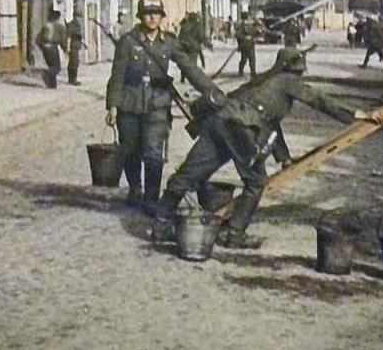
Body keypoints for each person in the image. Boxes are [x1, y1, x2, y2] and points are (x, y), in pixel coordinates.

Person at [151, 46, 356, 248]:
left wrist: (283, 157)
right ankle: (234, 233)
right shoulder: (288, 81)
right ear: (298, 68)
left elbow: (269, 123)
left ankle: (160, 224)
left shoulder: (264, 80)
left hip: (217, 122)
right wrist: (353, 114)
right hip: (239, 130)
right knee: (256, 182)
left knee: (189, 174)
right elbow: (318, 100)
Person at [105, 0, 221, 214]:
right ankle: (135, 188)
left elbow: (190, 68)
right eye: (148, 13)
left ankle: (151, 198)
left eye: (156, 13)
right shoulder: (128, 41)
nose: (152, 17)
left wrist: (212, 90)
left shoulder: (169, 42)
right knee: (130, 150)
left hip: (158, 103)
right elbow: (117, 75)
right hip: (129, 103)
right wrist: (112, 105)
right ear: (140, 17)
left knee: (153, 153)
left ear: (161, 16)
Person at [36, 10, 66, 89]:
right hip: (53, 48)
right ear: (57, 18)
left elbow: (37, 39)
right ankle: (46, 73)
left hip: (45, 48)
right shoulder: (60, 27)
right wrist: (65, 49)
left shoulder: (46, 26)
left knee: (51, 65)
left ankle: (52, 85)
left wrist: (42, 47)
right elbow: (63, 40)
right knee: (56, 67)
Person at [177, 12, 207, 82]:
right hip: (194, 47)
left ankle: (182, 78)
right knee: (193, 63)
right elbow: (201, 36)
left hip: (184, 46)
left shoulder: (184, 25)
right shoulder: (198, 26)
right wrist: (199, 42)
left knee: (184, 62)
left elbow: (179, 36)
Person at [235, 12, 261, 79]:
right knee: (244, 60)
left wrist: (257, 31)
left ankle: (253, 72)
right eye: (246, 18)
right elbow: (238, 35)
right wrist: (244, 38)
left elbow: (256, 32)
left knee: (252, 59)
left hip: (250, 45)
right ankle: (241, 71)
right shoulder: (240, 26)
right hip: (244, 45)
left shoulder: (251, 25)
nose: (247, 20)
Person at [65, 5, 84, 86]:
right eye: (80, 17)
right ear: (76, 16)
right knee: (74, 63)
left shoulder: (77, 25)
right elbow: (69, 36)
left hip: (76, 46)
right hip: (73, 47)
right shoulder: (73, 25)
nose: (81, 19)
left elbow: (78, 37)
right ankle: (73, 80)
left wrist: (83, 44)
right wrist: (68, 47)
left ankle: (71, 79)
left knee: (73, 62)